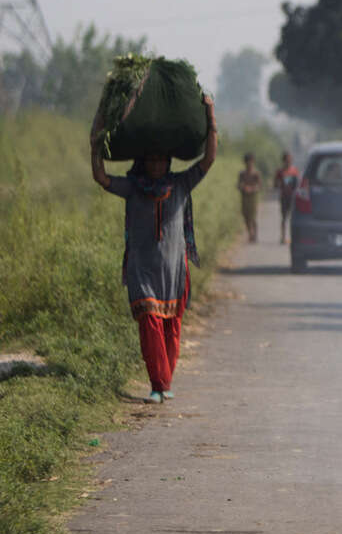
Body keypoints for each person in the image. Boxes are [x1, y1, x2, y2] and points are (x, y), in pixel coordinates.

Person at [91, 94, 218, 404]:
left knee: (172, 327)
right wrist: (95, 142)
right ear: (144, 162)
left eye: (162, 160)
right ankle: (158, 384)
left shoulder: (181, 183)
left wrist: (210, 113)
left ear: (168, 162)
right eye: (152, 160)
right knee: (149, 323)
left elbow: (208, 159)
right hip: (142, 269)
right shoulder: (133, 188)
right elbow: (101, 177)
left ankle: (165, 382)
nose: (157, 165)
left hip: (174, 270)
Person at [272, 151, 300, 244]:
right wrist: (279, 184)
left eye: (290, 160)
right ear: (284, 161)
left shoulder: (294, 171)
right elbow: (275, 184)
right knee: (284, 218)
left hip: (292, 197)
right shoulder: (280, 172)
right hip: (284, 197)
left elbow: (298, 185)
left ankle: (294, 237)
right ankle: (283, 237)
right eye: (287, 160)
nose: (288, 161)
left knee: (293, 218)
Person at [237, 153, 262, 242]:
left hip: (253, 198)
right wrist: (243, 187)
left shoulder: (256, 173)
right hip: (244, 198)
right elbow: (238, 185)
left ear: (253, 162)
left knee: (253, 217)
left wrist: (252, 189)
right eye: (247, 162)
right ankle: (250, 233)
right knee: (246, 216)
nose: (249, 164)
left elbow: (259, 186)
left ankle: (254, 235)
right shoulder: (242, 174)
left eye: (250, 162)